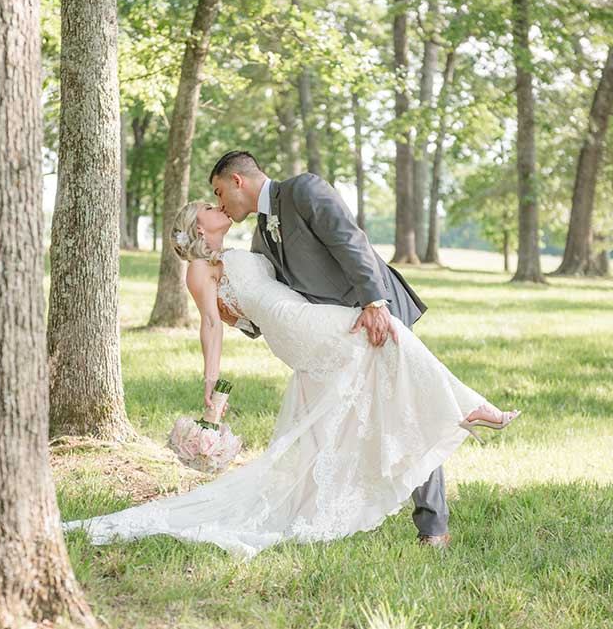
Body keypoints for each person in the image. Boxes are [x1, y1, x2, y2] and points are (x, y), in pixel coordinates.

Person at [61, 154, 520, 560]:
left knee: (406, 405)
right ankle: (461, 422)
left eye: (218, 193)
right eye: (210, 203)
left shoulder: (303, 191)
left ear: (237, 181)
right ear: (199, 228)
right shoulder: (246, 245)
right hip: (313, 333)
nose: (219, 204)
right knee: (401, 406)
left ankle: (435, 516)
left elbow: (350, 241)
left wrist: (374, 302)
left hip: (370, 308)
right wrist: (219, 372)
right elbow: (239, 318)